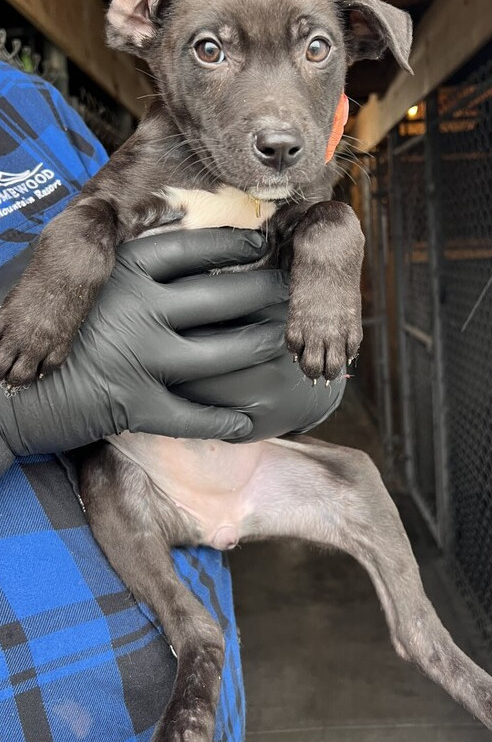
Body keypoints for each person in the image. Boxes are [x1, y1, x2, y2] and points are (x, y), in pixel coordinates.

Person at [0, 61, 344, 741]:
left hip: (198, 703)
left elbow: (144, 236)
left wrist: (265, 360)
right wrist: (13, 415)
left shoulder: (27, 100)